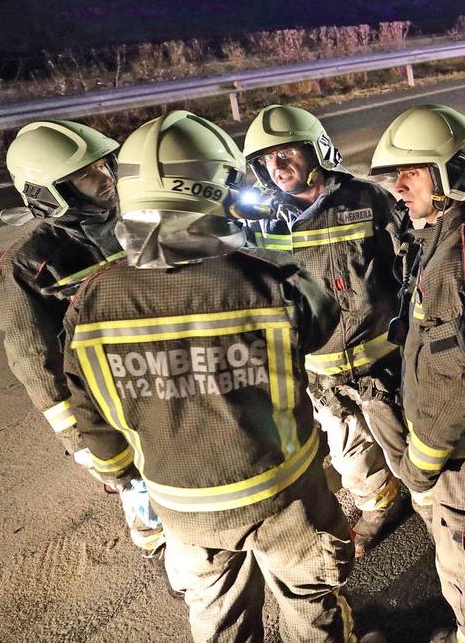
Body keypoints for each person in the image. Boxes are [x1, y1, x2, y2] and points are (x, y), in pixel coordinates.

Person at [62, 110, 361, 643]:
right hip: (282, 491)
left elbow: (91, 415)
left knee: (216, 613)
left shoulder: (90, 301)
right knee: (309, 601)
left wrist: (121, 472)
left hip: (181, 505)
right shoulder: (269, 277)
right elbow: (324, 328)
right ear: (212, 187)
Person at [361, 104, 465, 643]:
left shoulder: (448, 271)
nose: (398, 185)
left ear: (450, 176)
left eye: (411, 173)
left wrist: (419, 466)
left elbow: (458, 381)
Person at [0, 119, 165, 561]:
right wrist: (80, 440)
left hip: (168, 376)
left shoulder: (142, 215)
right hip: (107, 398)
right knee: (139, 487)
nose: (106, 178)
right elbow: (33, 358)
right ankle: (159, 547)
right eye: (87, 175)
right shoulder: (30, 265)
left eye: (105, 165)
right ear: (51, 194)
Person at [241, 104, 408, 556]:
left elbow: (410, 268)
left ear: (316, 150)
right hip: (321, 375)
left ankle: (436, 511)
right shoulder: (263, 226)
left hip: (384, 366)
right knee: (352, 457)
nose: (276, 167)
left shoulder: (367, 201)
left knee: (410, 450)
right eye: (266, 159)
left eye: (286, 152)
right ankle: (380, 505)